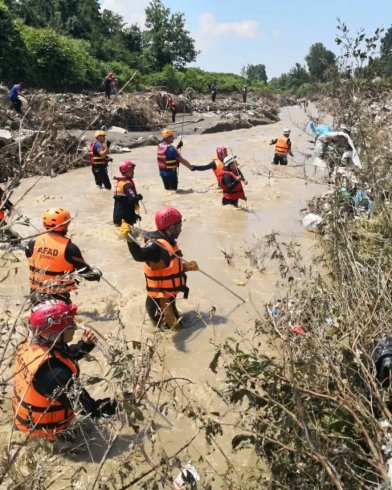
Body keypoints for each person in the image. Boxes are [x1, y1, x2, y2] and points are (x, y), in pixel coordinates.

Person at [13, 300, 117, 441]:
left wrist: (84, 345)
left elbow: (62, 356)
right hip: (48, 439)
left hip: (25, 424)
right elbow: (90, 410)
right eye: (70, 325)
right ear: (57, 333)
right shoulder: (56, 375)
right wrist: (122, 402)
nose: (74, 327)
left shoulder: (31, 346)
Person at [121, 207, 199, 330]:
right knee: (177, 333)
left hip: (166, 300)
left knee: (175, 331)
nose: (181, 229)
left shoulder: (168, 243)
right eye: (179, 226)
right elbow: (140, 255)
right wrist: (130, 240)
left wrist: (186, 267)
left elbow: (168, 270)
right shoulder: (156, 246)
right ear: (171, 227)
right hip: (161, 303)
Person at [25, 208, 102, 305]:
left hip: (35, 296)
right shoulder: (70, 248)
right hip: (59, 298)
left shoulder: (32, 243)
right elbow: (87, 274)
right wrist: (97, 273)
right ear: (64, 226)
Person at [113, 161, 143, 227]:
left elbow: (123, 203)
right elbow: (132, 200)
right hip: (125, 220)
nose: (133, 172)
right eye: (132, 170)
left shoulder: (119, 182)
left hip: (117, 217)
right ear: (128, 171)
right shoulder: (127, 185)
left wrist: (134, 215)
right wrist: (139, 197)